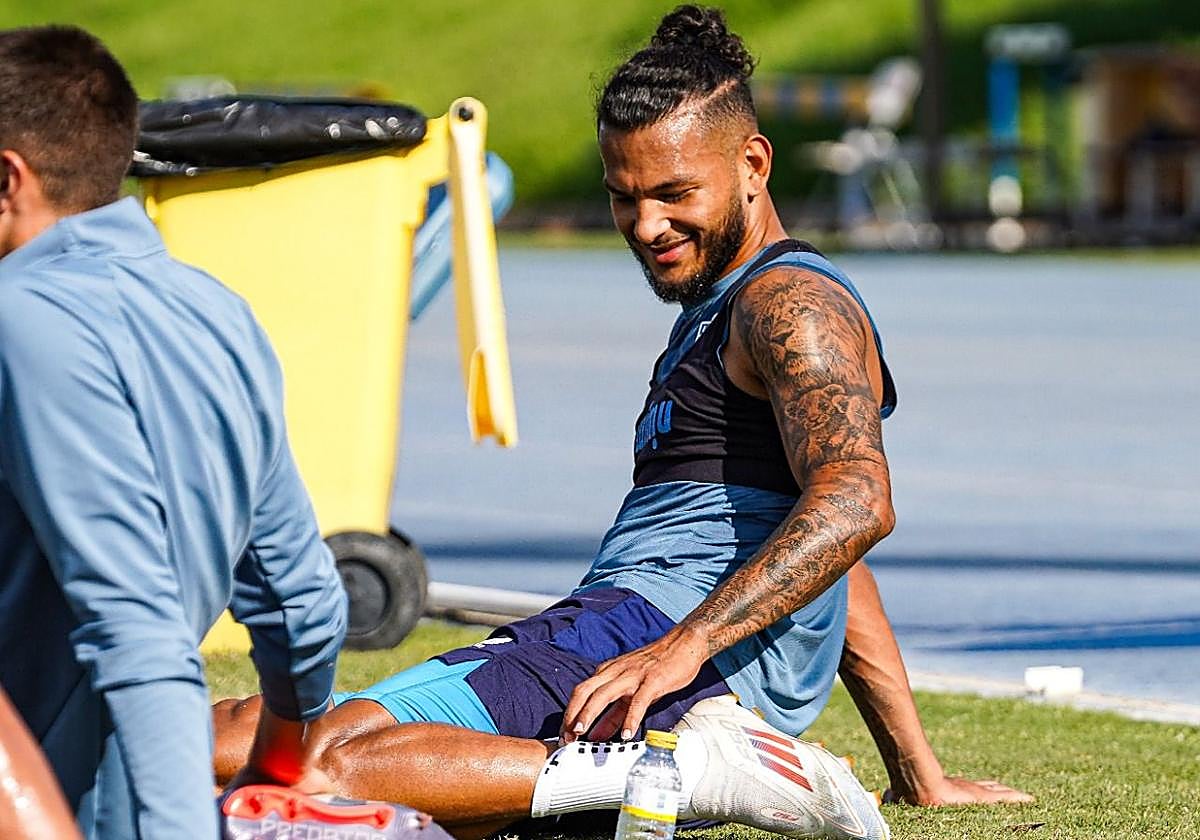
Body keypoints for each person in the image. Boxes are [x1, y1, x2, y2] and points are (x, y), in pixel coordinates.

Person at [214, 6, 1030, 838]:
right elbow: (829, 551)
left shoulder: (791, 303)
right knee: (247, 742)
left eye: (675, 194)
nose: (646, 226)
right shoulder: (719, 309)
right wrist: (917, 772)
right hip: (631, 633)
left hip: (659, 640)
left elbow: (855, 503)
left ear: (753, 163)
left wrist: (682, 648)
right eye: (624, 197)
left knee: (324, 765)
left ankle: (683, 774)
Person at [0, 25, 347, 839]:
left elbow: (132, 621)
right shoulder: (216, 311)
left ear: (6, 178)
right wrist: (282, 760)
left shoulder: (19, 321)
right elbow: (300, 598)